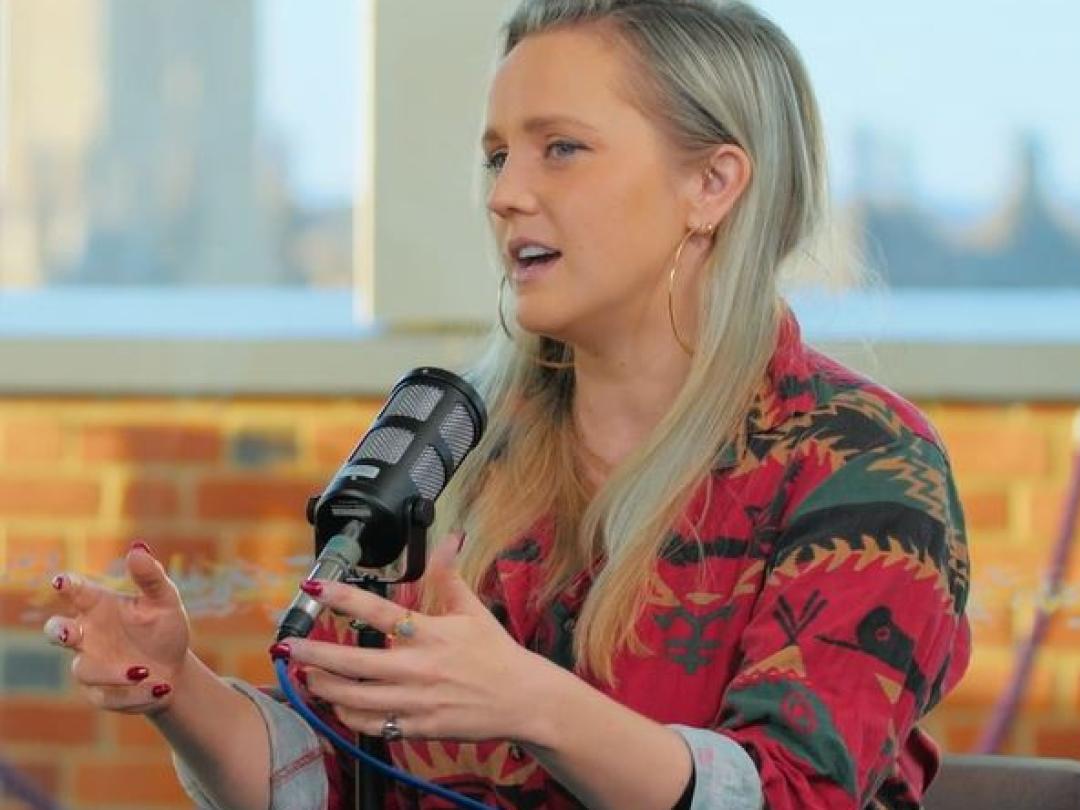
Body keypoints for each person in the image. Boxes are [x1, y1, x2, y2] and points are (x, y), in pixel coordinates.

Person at [45, 1, 971, 808]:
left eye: (559, 149)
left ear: (712, 184)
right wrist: (180, 689)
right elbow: (344, 778)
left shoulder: (859, 466)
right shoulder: (454, 448)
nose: (506, 194)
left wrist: (530, 703)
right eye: (497, 156)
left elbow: (792, 796)